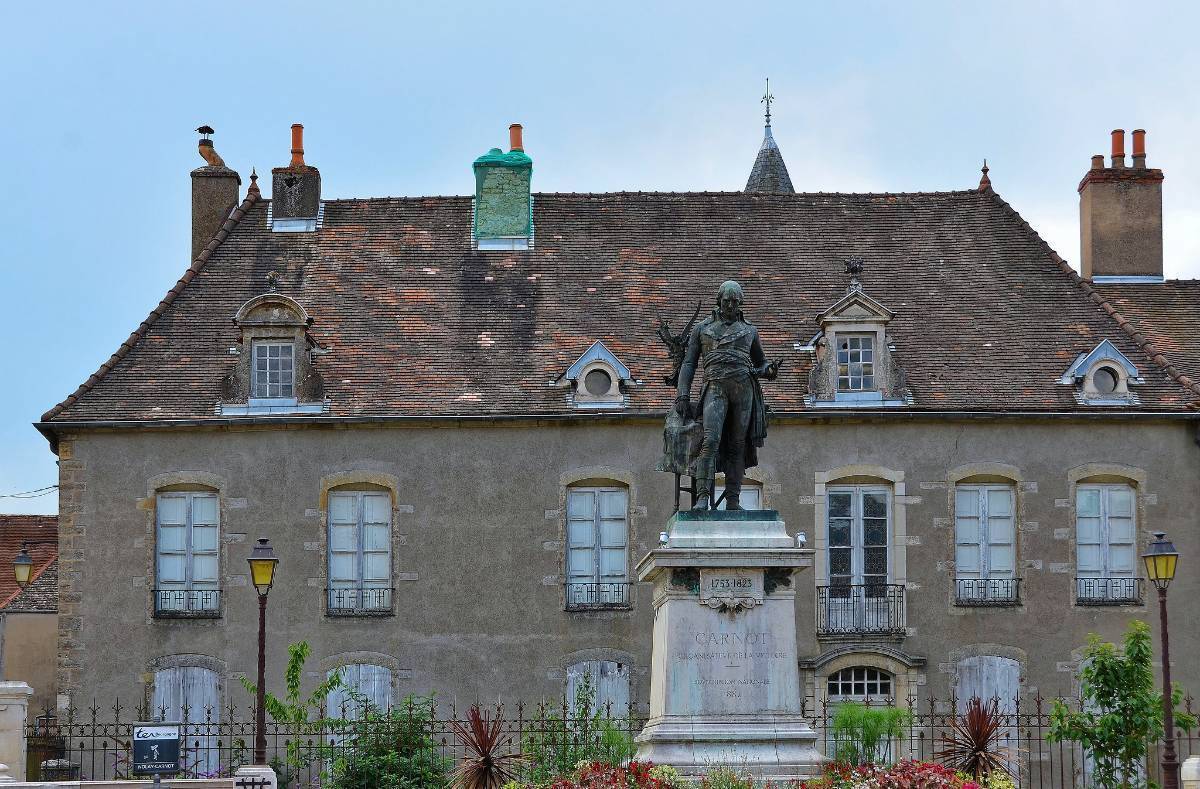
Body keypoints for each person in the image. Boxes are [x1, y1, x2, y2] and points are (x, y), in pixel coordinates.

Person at [674, 280, 779, 510]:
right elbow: (689, 363)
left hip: (743, 388)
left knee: (738, 444)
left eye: (735, 302)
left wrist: (769, 370)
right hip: (715, 386)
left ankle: (733, 500)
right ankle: (702, 497)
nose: (731, 305)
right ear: (718, 301)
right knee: (710, 440)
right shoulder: (702, 329)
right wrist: (683, 394)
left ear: (740, 303)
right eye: (727, 301)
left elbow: (761, 362)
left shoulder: (749, 331)